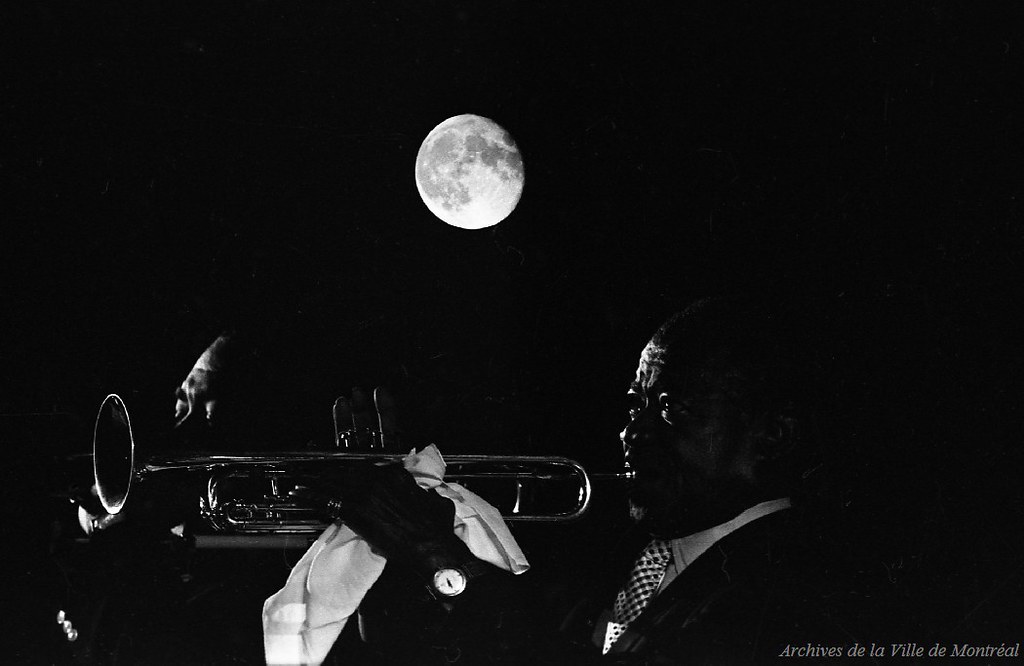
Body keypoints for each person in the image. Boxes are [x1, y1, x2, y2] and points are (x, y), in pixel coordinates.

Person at [290, 297, 864, 664]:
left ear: (773, 437)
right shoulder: (622, 557)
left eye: (672, 408)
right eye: (635, 406)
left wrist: (437, 555)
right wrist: (373, 545)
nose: (631, 433)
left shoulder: (803, 594)